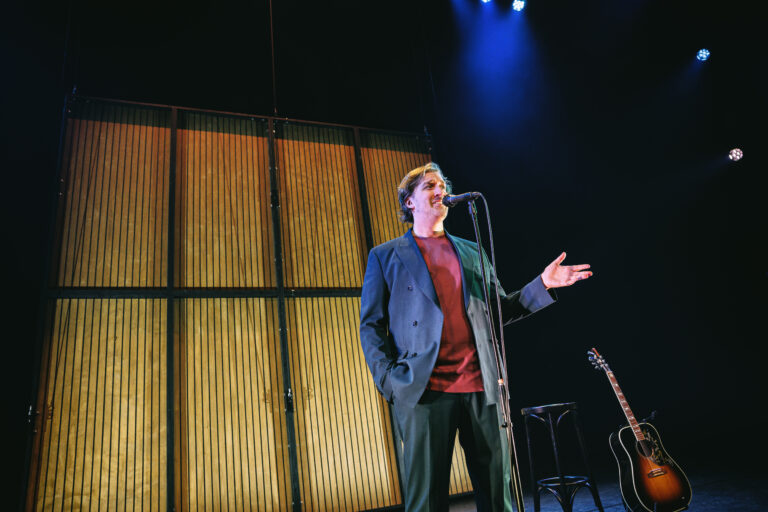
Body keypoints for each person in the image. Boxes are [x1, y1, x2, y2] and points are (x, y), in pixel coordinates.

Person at [359, 162, 592, 511]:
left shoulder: (472, 251)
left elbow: (501, 311)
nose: (440, 191)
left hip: (482, 387)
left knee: (499, 495)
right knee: (425, 500)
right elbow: (370, 325)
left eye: (442, 185)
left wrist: (542, 284)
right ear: (409, 201)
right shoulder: (386, 256)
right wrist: (390, 381)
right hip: (424, 391)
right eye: (429, 187)